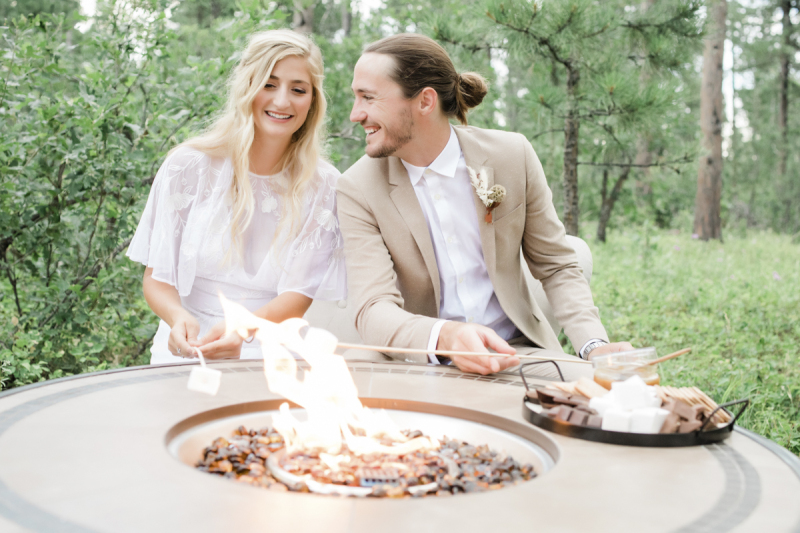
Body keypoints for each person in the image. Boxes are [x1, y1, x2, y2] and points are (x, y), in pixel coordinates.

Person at [336, 33, 632, 379]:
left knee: (611, 397)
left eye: (368, 97)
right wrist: (445, 338)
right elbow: (373, 308)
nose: (356, 114)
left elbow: (556, 266)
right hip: (419, 364)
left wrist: (594, 345)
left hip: (518, 354)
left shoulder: (512, 155)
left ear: (425, 101)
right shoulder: (357, 187)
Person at [127, 30, 345, 364]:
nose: (282, 101)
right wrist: (177, 317)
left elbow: (297, 296)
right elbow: (157, 279)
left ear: (313, 100)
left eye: (298, 89)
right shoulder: (186, 167)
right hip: (186, 345)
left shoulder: (325, 186)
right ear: (247, 86)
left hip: (269, 350)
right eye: (269, 84)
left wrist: (242, 329)